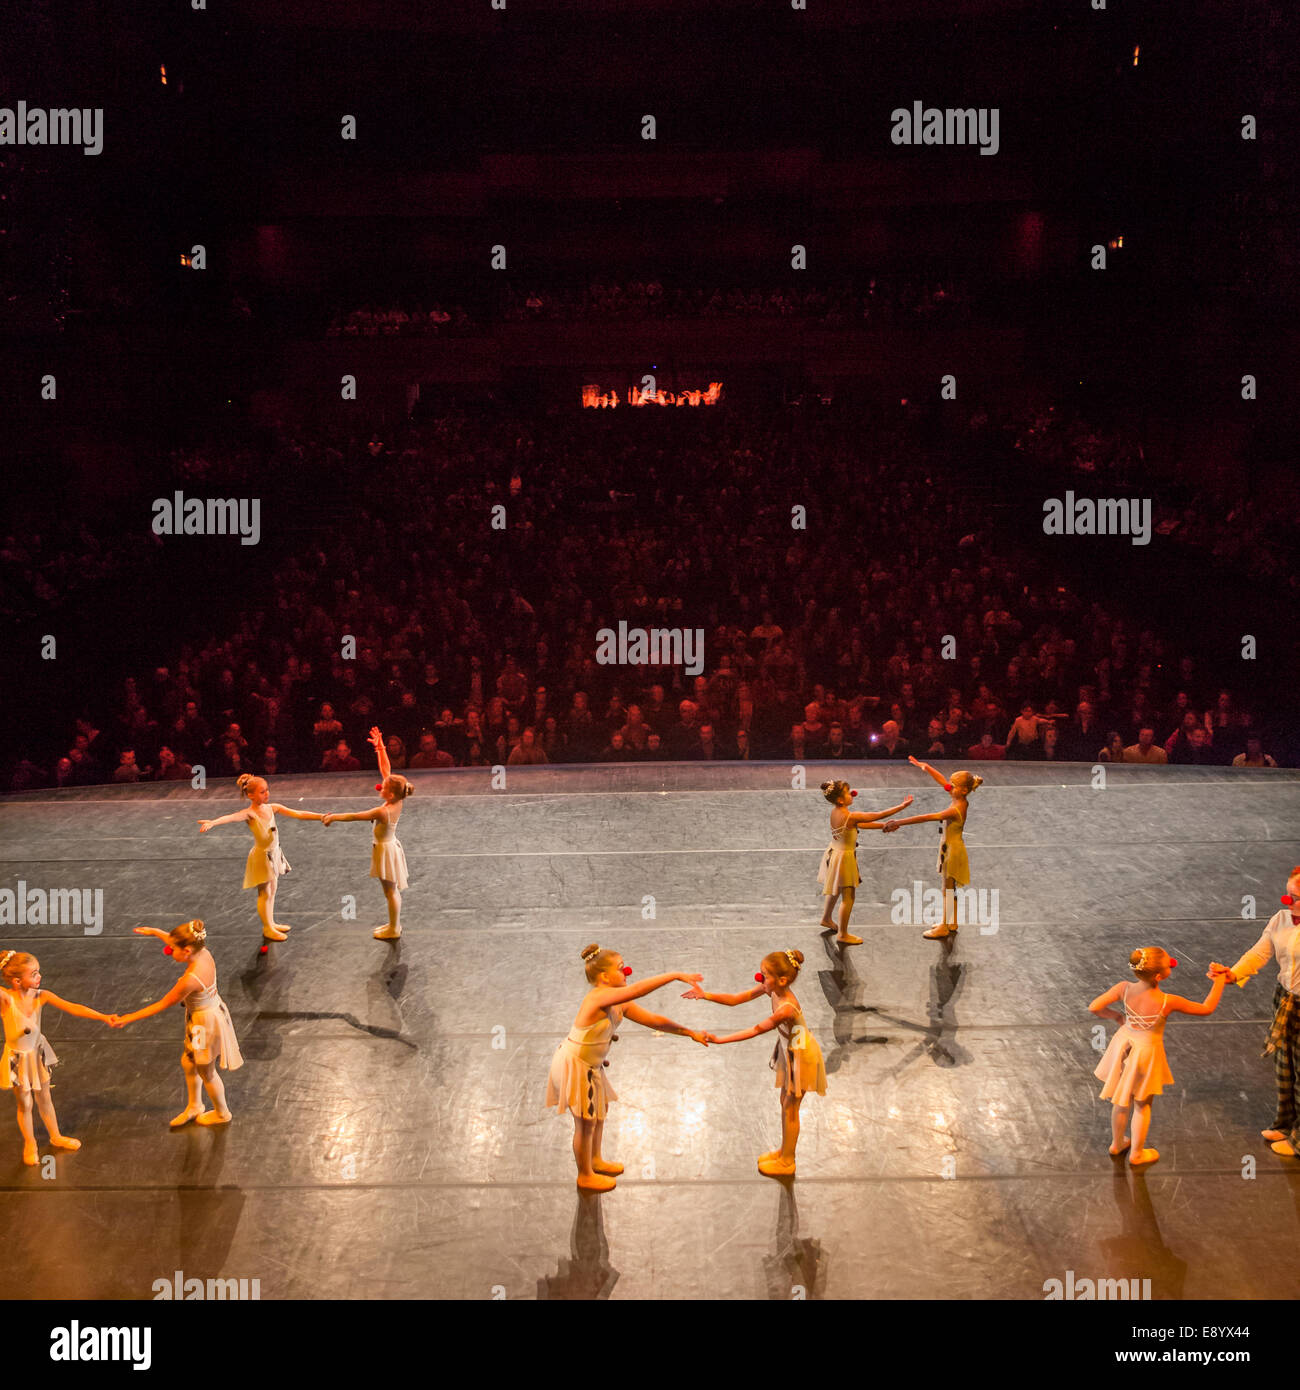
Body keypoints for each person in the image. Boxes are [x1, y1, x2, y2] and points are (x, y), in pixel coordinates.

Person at [546, 945, 706, 1192]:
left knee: (600, 1112)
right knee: (585, 1122)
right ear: (604, 977)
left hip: (592, 1065)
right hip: (576, 1065)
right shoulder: (599, 997)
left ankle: (596, 1159)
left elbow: (655, 1021)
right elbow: (638, 990)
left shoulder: (620, 1002)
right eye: (621, 969)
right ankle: (584, 1174)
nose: (627, 972)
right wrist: (673, 975)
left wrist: (689, 1032)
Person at [682, 949, 825, 1178]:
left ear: (782, 980)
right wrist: (705, 995)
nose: (759, 979)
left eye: (764, 975)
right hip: (790, 1051)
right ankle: (784, 1150)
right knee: (785, 1102)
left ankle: (788, 1161)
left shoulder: (786, 1008)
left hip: (801, 1058)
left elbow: (756, 1030)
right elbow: (738, 999)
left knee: (791, 1108)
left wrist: (720, 1040)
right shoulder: (773, 990)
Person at [1088, 947, 1227, 1166]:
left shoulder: (1123, 988)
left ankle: (1116, 1143)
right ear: (1159, 976)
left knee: (1121, 1099)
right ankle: (1136, 1153)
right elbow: (1206, 1008)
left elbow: (1094, 1006)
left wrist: (1116, 1016)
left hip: (1124, 1044)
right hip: (1146, 1052)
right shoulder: (1167, 1001)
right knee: (1142, 1104)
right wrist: (1219, 981)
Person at [111, 921, 243, 1128]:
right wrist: (155, 932)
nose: (169, 951)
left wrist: (128, 1018)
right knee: (189, 1062)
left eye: (172, 950)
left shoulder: (191, 979)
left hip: (205, 1025)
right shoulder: (203, 952)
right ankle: (195, 1105)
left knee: (206, 1071)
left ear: (186, 951)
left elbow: (163, 1003)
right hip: (203, 1017)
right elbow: (179, 943)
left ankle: (222, 1113)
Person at [0, 950, 111, 1165]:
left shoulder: (42, 995)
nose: (39, 977)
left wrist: (102, 1017)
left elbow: (73, 1008)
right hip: (18, 1058)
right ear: (16, 980)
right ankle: (30, 1142)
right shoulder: (6, 1000)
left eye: (38, 972)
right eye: (33, 974)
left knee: (45, 1099)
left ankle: (56, 1136)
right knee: (25, 1104)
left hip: (37, 1053)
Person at [1218, 870, 1300, 1155]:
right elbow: (1259, 952)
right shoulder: (1281, 919)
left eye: (1295, 897)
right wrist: (1233, 973)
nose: (1287, 901)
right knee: (1285, 1066)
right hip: (1286, 1000)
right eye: (1287, 894)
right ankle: (1286, 1122)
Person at [197, 774, 327, 941]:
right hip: (262, 857)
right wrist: (213, 822)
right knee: (264, 892)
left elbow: (298, 813)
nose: (266, 794)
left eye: (267, 790)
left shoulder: (272, 807)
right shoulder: (250, 813)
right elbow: (231, 817)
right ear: (251, 795)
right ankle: (267, 928)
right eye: (261, 792)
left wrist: (320, 816)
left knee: (273, 889)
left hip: (274, 853)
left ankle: (271, 923)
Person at [322, 727, 413, 940]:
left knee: (390, 891)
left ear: (389, 793)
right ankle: (393, 924)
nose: (381, 785)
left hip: (385, 850)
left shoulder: (383, 811)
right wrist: (379, 746)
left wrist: (333, 817)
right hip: (388, 846)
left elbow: (354, 816)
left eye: (384, 786)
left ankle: (394, 927)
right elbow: (385, 767)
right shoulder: (397, 798)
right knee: (390, 891)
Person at [881, 758, 982, 940]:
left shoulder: (957, 808)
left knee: (947, 888)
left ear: (964, 790)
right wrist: (926, 767)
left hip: (952, 850)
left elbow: (927, 816)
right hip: (951, 847)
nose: (949, 786)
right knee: (950, 889)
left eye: (953, 784)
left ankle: (944, 926)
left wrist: (899, 822)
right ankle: (952, 921)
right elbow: (942, 781)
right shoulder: (959, 797)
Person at [815, 780, 913, 945]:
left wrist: (883, 826)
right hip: (844, 858)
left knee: (835, 889)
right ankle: (843, 934)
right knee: (849, 896)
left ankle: (826, 918)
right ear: (840, 799)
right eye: (848, 792)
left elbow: (860, 824)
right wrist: (902, 806)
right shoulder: (850, 816)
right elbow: (878, 814)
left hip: (834, 852)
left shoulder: (836, 812)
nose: (851, 793)